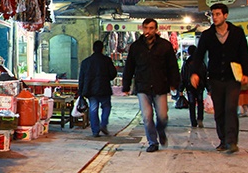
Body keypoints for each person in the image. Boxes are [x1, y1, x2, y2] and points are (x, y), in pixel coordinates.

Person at [191, 3, 248, 154]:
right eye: (213, 14)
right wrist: (195, 73)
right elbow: (199, 56)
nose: (215, 17)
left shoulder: (237, 32)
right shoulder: (207, 35)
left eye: (218, 14)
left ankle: (232, 141)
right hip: (215, 78)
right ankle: (223, 140)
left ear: (225, 15)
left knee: (230, 108)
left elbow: (244, 54)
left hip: (233, 78)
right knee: (219, 111)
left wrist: (246, 74)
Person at [122, 18, 180, 153]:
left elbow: (172, 66)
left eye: (151, 28)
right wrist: (126, 86)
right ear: (142, 29)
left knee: (163, 116)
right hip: (143, 86)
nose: (148, 31)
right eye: (146, 28)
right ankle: (153, 142)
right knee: (147, 117)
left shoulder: (165, 45)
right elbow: (129, 67)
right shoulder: (136, 47)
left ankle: (161, 130)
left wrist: (174, 83)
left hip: (160, 86)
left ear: (156, 29)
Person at [79, 40, 117, 137]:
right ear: (102, 49)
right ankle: (103, 124)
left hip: (91, 89)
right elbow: (113, 74)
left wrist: (81, 92)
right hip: (104, 88)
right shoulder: (107, 60)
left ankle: (95, 131)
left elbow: (81, 78)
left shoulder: (86, 62)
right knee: (106, 107)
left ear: (93, 49)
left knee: (93, 109)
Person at [180, 44, 206, 128]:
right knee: (200, 102)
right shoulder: (201, 62)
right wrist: (208, 88)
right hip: (200, 85)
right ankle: (200, 119)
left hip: (189, 86)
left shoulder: (187, 63)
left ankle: (193, 121)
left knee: (192, 104)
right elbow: (205, 75)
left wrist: (181, 89)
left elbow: (183, 76)